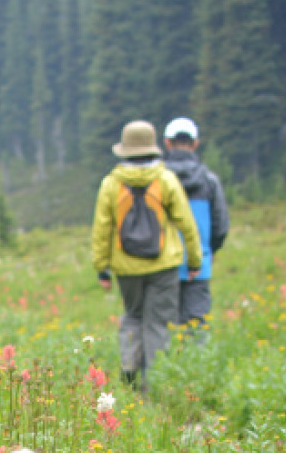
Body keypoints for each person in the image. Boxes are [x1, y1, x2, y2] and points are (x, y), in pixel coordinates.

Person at [92, 120, 202, 390]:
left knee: (133, 315)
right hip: (163, 264)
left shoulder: (111, 183)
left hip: (125, 266)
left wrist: (102, 268)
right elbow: (186, 222)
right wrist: (195, 260)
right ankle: (154, 384)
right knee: (159, 322)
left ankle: (129, 366)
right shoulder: (165, 179)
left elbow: (102, 228)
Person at [164, 117, 230, 340]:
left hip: (162, 262)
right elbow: (220, 226)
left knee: (165, 325)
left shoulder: (158, 181)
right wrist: (208, 251)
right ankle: (197, 372)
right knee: (197, 324)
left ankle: (165, 371)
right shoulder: (209, 181)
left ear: (167, 143)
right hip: (200, 263)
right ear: (195, 143)